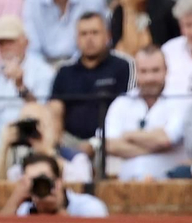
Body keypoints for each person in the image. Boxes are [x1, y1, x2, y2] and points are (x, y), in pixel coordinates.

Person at [0, 14, 55, 160]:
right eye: (0, 43)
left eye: (10, 42)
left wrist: (20, 85)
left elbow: (43, 114)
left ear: (25, 42)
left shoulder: (43, 72)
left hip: (33, 143)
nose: (6, 48)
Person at [48, 12, 130, 148]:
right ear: (76, 38)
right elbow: (55, 111)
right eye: (84, 34)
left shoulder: (123, 67)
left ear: (108, 36)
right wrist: (55, 144)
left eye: (95, 33)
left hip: (111, 141)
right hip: (70, 141)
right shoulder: (65, 71)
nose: (89, 39)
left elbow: (128, 110)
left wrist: (96, 144)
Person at [102, 45, 185, 179]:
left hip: (168, 184)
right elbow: (108, 144)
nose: (149, 78)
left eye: (155, 71)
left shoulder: (180, 100)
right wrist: (155, 145)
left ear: (166, 71)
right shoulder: (122, 102)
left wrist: (128, 135)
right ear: (136, 72)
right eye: (144, 71)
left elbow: (166, 139)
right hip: (125, 184)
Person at [0, 152, 109, 217]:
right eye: (34, 181)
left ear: (59, 181)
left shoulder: (89, 206)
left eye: (44, 179)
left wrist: (58, 209)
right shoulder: (25, 209)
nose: (40, 185)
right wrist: (15, 199)